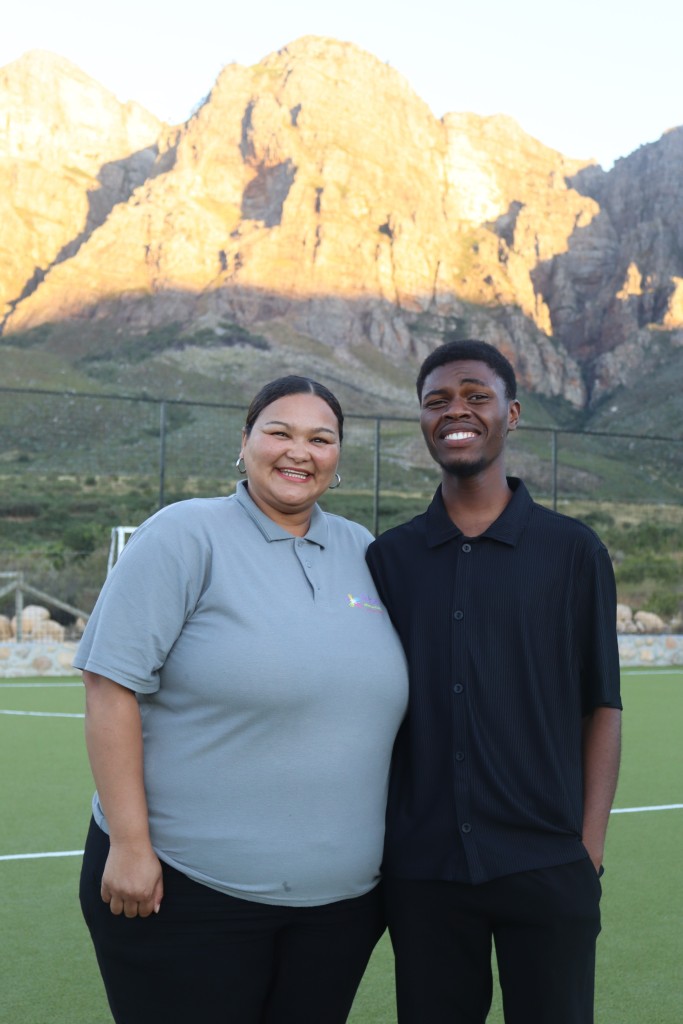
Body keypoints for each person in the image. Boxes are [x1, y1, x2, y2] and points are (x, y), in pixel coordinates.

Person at [75, 375, 408, 1024]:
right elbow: (109, 687)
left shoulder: (364, 552)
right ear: (244, 442)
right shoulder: (183, 535)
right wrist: (131, 846)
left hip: (339, 913)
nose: (298, 451)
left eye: (321, 438)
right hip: (186, 896)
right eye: (278, 431)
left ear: (338, 457)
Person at [365, 339, 622, 1024]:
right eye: (437, 400)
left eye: (475, 396)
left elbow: (601, 706)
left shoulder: (572, 551)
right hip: (423, 873)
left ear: (510, 413)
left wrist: (585, 853)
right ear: (421, 421)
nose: (457, 411)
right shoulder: (388, 558)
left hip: (545, 865)